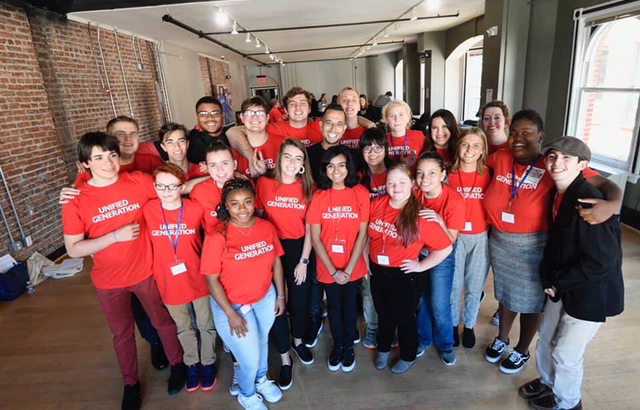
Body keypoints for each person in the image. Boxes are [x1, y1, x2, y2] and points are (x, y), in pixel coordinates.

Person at [483, 109, 622, 374]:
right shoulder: (501, 157)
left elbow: (607, 185)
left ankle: (522, 350)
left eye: (527, 133)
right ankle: (502, 338)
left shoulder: (552, 164)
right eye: (513, 133)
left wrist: (613, 204)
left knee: (533, 299)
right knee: (506, 292)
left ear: (540, 136)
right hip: (500, 242)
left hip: (533, 243)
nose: (518, 138)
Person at [62, 132, 185, 410]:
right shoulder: (75, 199)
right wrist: (114, 237)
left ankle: (178, 364)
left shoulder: (139, 182)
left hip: (145, 271)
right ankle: (130, 383)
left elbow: (175, 188)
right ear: (85, 164)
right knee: (122, 334)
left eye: (112, 155)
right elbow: (73, 249)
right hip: (108, 281)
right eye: (98, 157)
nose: (108, 162)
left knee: (163, 322)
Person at [519, 136, 623, 410]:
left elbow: (603, 261)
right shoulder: (559, 191)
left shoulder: (591, 202)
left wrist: (557, 282)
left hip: (589, 291)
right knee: (546, 338)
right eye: (553, 156)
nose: (557, 163)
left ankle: (568, 402)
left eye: (566, 158)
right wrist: (550, 280)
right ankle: (549, 383)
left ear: (583, 165)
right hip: (561, 284)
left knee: (567, 353)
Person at [201, 178, 285, 410]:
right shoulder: (217, 236)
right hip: (233, 305)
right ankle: (246, 394)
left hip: (264, 297)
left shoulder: (266, 227)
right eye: (235, 204)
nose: (242, 209)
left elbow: (277, 261)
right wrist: (231, 314)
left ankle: (261, 380)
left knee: (262, 341)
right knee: (248, 357)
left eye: (247, 202)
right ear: (226, 206)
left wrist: (280, 296)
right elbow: (211, 279)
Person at [368, 163, 452, 374]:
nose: (396, 187)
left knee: (404, 319)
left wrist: (421, 265)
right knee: (383, 314)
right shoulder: (377, 204)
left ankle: (408, 355)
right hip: (377, 271)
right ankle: (384, 348)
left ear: (413, 184)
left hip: (404, 275)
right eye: (391, 183)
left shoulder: (421, 215)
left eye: (402, 182)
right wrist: (364, 258)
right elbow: (366, 235)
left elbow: (445, 248)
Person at [142, 164, 217, 393]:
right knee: (183, 327)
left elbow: (214, 233)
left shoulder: (194, 208)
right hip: (167, 279)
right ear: (154, 187)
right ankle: (192, 363)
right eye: (161, 186)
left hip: (197, 275)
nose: (166, 191)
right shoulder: (148, 209)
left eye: (172, 186)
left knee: (205, 324)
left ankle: (208, 362)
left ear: (181, 186)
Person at [255, 138, 315, 389]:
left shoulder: (308, 188)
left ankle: (298, 341)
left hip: (298, 247)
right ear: (279, 159)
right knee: (275, 304)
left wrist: (303, 260)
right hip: (270, 247)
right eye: (288, 157)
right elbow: (257, 217)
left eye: (298, 158)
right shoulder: (264, 184)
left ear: (303, 164)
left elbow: (312, 229)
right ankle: (284, 358)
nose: (292, 163)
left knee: (298, 300)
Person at [307, 146, 370, 372]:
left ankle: (349, 347)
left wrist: (349, 269)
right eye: (331, 166)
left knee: (350, 306)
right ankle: (339, 345)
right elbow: (315, 237)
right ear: (325, 169)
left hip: (352, 264)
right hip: (328, 266)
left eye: (341, 165)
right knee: (334, 307)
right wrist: (334, 271)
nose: (336, 170)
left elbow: (363, 234)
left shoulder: (360, 193)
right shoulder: (319, 196)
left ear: (348, 167)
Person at [414, 151, 465, 366]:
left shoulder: (454, 200)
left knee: (440, 304)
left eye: (432, 173)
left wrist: (438, 220)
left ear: (443, 174)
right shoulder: (415, 194)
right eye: (420, 173)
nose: (425, 179)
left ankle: (445, 344)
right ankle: (423, 339)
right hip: (418, 253)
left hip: (442, 255)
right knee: (421, 301)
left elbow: (450, 240)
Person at [447, 127, 492, 349]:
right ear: (458, 147)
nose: (470, 149)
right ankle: (453, 324)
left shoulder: (489, 175)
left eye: (476, 145)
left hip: (480, 236)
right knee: (454, 285)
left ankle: (470, 324)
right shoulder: (448, 175)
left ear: (483, 149)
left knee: (475, 285)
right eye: (465, 144)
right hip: (455, 237)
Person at [76, 116, 165, 187]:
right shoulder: (94, 170)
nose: (128, 139)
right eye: (121, 134)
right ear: (110, 138)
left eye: (133, 134)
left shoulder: (152, 161)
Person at [190, 142, 241, 235]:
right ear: (208, 168)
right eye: (213, 165)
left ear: (235, 164)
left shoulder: (246, 186)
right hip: (215, 244)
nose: (220, 169)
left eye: (225, 163)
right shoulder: (199, 192)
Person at [234, 96, 284, 179]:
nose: (255, 117)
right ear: (242, 118)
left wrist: (265, 173)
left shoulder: (282, 144)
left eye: (260, 113)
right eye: (249, 113)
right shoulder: (234, 149)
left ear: (267, 117)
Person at [186, 96, 231, 164]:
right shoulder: (189, 141)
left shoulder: (231, 135)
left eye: (215, 113)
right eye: (203, 114)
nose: (210, 118)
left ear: (222, 115)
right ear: (197, 116)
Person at [383, 100, 425, 167]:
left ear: (408, 117)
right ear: (386, 120)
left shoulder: (419, 136)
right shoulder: (382, 140)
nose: (397, 119)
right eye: (392, 116)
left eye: (401, 114)